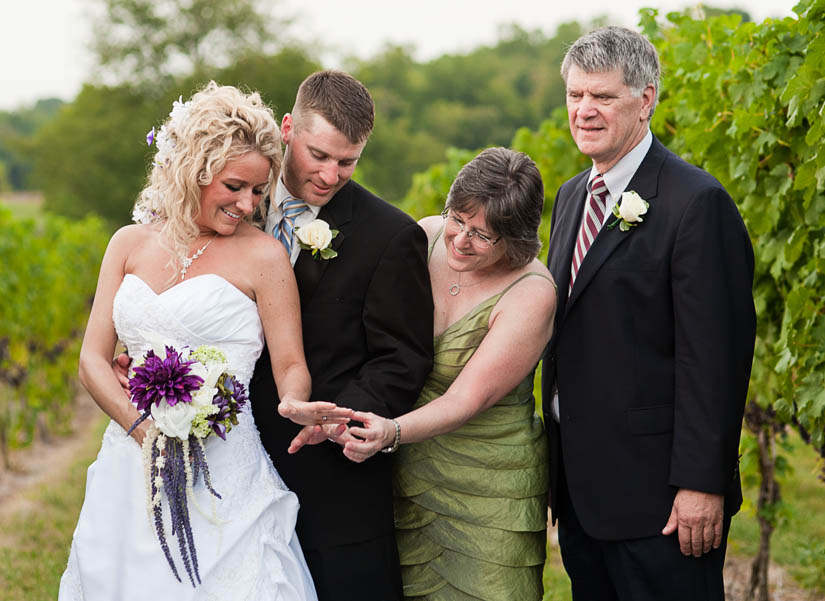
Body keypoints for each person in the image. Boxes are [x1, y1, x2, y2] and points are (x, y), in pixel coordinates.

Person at [58, 82, 348, 600]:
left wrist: (295, 402)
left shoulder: (264, 258)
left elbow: (290, 363)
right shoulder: (128, 244)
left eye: (259, 192)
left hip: (225, 465)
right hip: (132, 458)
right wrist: (144, 432)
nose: (247, 204)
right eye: (235, 186)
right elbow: (91, 361)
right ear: (195, 169)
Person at [540, 27, 756, 600]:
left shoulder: (696, 203)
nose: (584, 111)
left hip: (661, 501)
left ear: (647, 98)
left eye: (603, 97)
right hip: (581, 494)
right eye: (575, 95)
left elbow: (716, 359)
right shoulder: (569, 198)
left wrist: (701, 484)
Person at [293, 147, 557, 600]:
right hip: (406, 472)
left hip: (488, 484)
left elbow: (466, 399)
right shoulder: (424, 237)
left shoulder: (531, 293)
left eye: (483, 236)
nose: (460, 239)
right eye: (458, 218)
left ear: (514, 240)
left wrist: (392, 430)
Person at [247, 70, 435, 601]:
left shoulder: (390, 236)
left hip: (330, 476)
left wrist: (337, 420)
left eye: (347, 161)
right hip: (229, 454)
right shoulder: (232, 205)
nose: (331, 175)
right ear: (288, 129)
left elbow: (402, 358)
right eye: (319, 155)